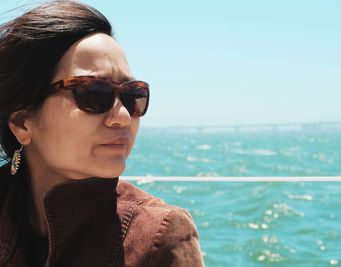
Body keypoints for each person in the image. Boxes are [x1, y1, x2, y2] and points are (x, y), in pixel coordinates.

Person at [0, 1, 204, 266]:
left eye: (133, 95)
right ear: (23, 123)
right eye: (94, 94)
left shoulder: (159, 235)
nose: (123, 117)